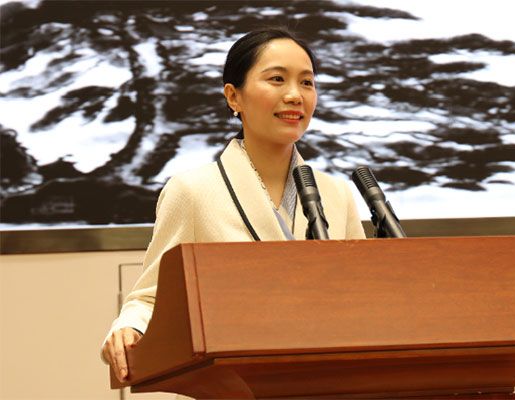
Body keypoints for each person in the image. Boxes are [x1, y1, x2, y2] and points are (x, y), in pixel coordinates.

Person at [101, 27, 366, 383]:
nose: (295, 95)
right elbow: (152, 298)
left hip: (329, 382)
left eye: (307, 82)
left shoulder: (336, 193)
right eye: (277, 79)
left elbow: (364, 296)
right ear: (233, 96)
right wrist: (128, 328)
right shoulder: (192, 190)